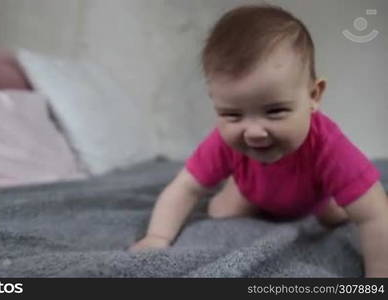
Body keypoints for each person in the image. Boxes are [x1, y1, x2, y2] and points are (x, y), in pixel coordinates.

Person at [129, 4, 388, 277]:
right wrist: (157, 237)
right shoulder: (222, 142)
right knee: (220, 211)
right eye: (232, 114)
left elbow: (375, 215)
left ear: (314, 95)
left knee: (341, 214)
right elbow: (184, 188)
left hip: (316, 199)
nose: (253, 133)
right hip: (250, 194)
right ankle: (237, 183)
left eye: (275, 111)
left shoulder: (329, 147)